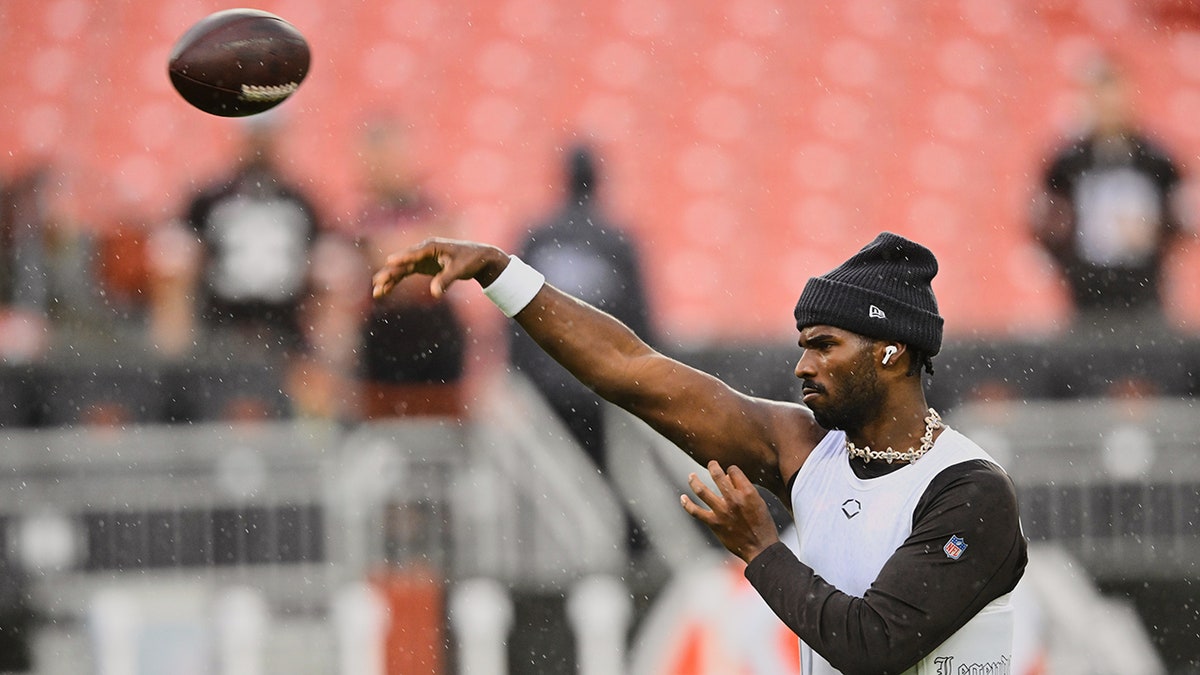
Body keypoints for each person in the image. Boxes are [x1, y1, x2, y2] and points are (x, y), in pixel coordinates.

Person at [373, 231, 1027, 674]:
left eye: (824, 344)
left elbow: (874, 644)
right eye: (802, 343)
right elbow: (631, 369)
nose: (801, 365)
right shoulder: (804, 447)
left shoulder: (968, 490)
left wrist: (762, 551)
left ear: (892, 351)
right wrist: (501, 273)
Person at [509, 144, 655, 471]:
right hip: (600, 385)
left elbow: (513, 316)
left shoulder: (539, 237)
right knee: (600, 476)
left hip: (546, 387)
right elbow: (641, 322)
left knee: (550, 476)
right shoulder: (616, 240)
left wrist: (517, 372)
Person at [1031, 54, 1191, 331]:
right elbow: (1044, 222)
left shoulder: (1157, 159)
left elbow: (1182, 219)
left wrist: (1154, 235)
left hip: (1145, 293)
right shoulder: (1067, 162)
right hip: (1086, 296)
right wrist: (1071, 265)